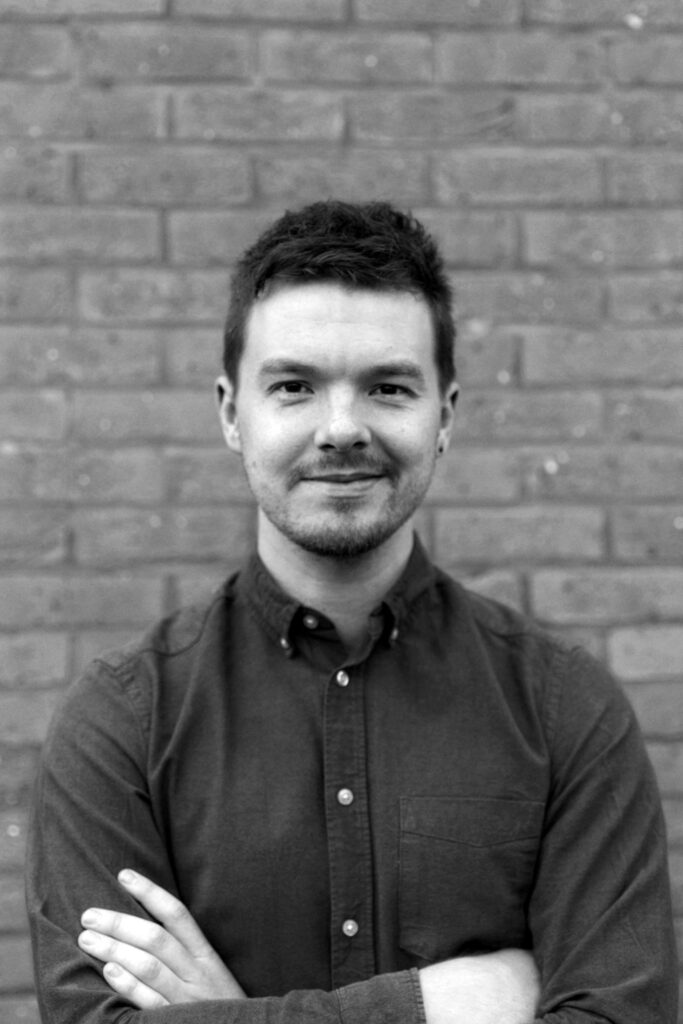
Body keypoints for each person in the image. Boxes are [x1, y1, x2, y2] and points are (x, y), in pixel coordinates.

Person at [26, 200, 677, 1024]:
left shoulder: (564, 711)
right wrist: (433, 1006)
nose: (341, 429)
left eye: (388, 388)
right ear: (232, 413)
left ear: (444, 414)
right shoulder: (122, 723)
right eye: (294, 386)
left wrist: (230, 1017)